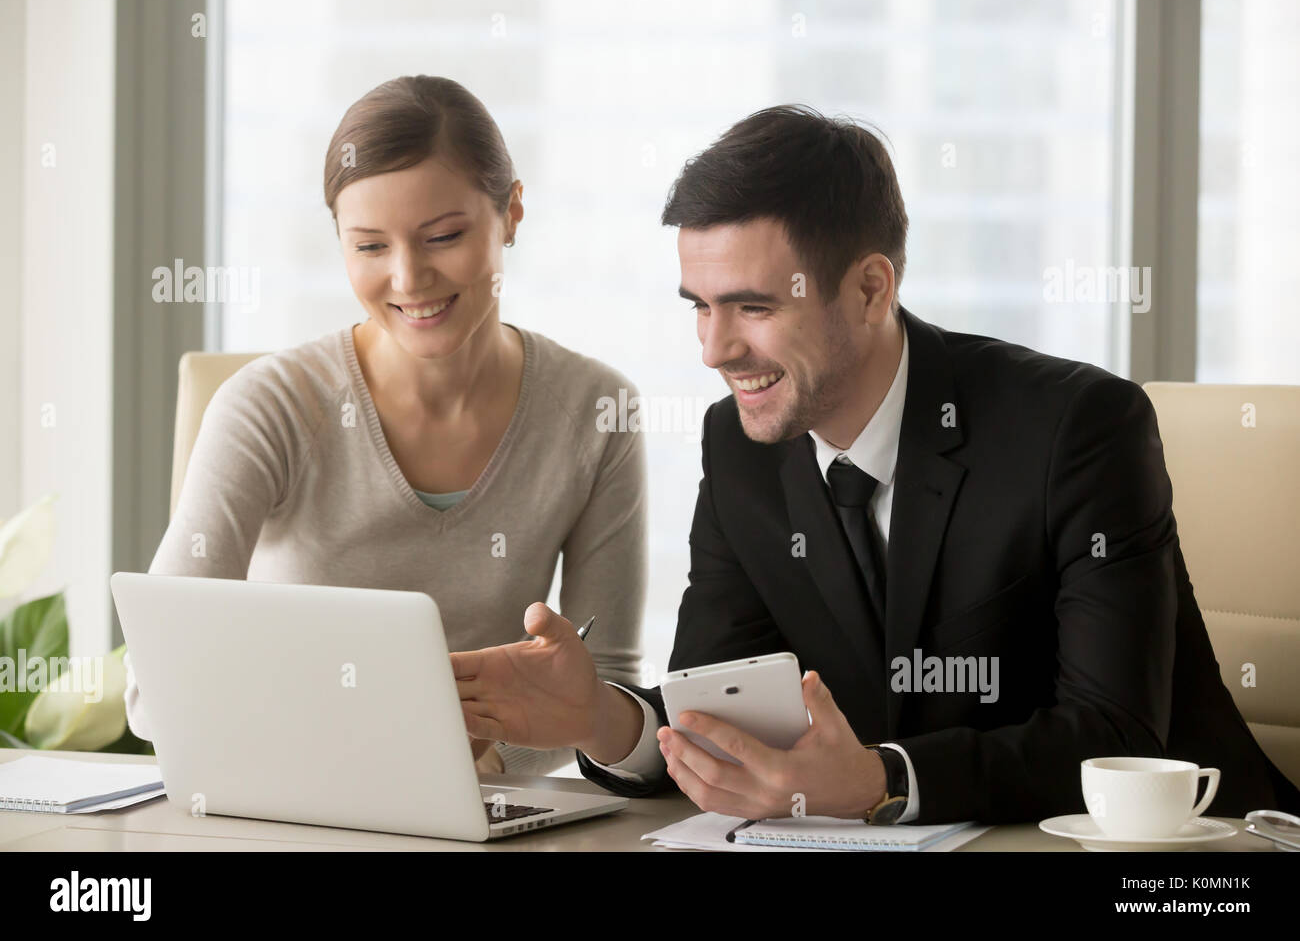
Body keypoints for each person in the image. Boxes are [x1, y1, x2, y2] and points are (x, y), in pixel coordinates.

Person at [451, 105, 1300, 823]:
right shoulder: (740, 448)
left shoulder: (1077, 429)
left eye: (752, 307)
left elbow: (1116, 735)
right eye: (701, 307)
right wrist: (599, 718)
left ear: (869, 289)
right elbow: (723, 711)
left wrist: (885, 782)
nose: (714, 349)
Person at [124, 75, 648, 778]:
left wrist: (476, 776)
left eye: (444, 236)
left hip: (490, 809)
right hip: (297, 802)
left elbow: (602, 692)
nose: (408, 278)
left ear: (512, 213)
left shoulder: (597, 412)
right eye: (370, 247)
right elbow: (154, 687)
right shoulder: (270, 407)